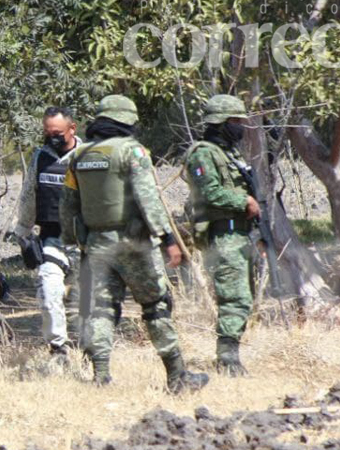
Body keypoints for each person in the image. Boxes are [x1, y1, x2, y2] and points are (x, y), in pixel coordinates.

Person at [60, 95, 208, 394]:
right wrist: (168, 239)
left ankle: (101, 376)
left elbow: (68, 206)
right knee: (156, 306)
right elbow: (148, 197)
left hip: (96, 245)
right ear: (125, 121)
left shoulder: (79, 156)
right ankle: (178, 377)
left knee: (101, 309)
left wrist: (78, 242)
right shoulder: (133, 152)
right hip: (134, 243)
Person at [184, 94, 257, 377]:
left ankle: (231, 355)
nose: (240, 126)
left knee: (242, 298)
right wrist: (244, 202)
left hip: (239, 235)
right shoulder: (203, 153)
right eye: (235, 121)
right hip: (223, 236)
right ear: (220, 122)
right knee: (234, 298)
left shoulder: (228, 153)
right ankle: (227, 361)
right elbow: (209, 192)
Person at [11, 107, 84, 357]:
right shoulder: (40, 157)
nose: (51, 137)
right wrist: (22, 233)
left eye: (57, 133)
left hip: (88, 240)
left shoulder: (89, 157)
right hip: (53, 238)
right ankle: (58, 349)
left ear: (72, 129)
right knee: (48, 289)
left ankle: (93, 351)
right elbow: (29, 194)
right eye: (47, 132)